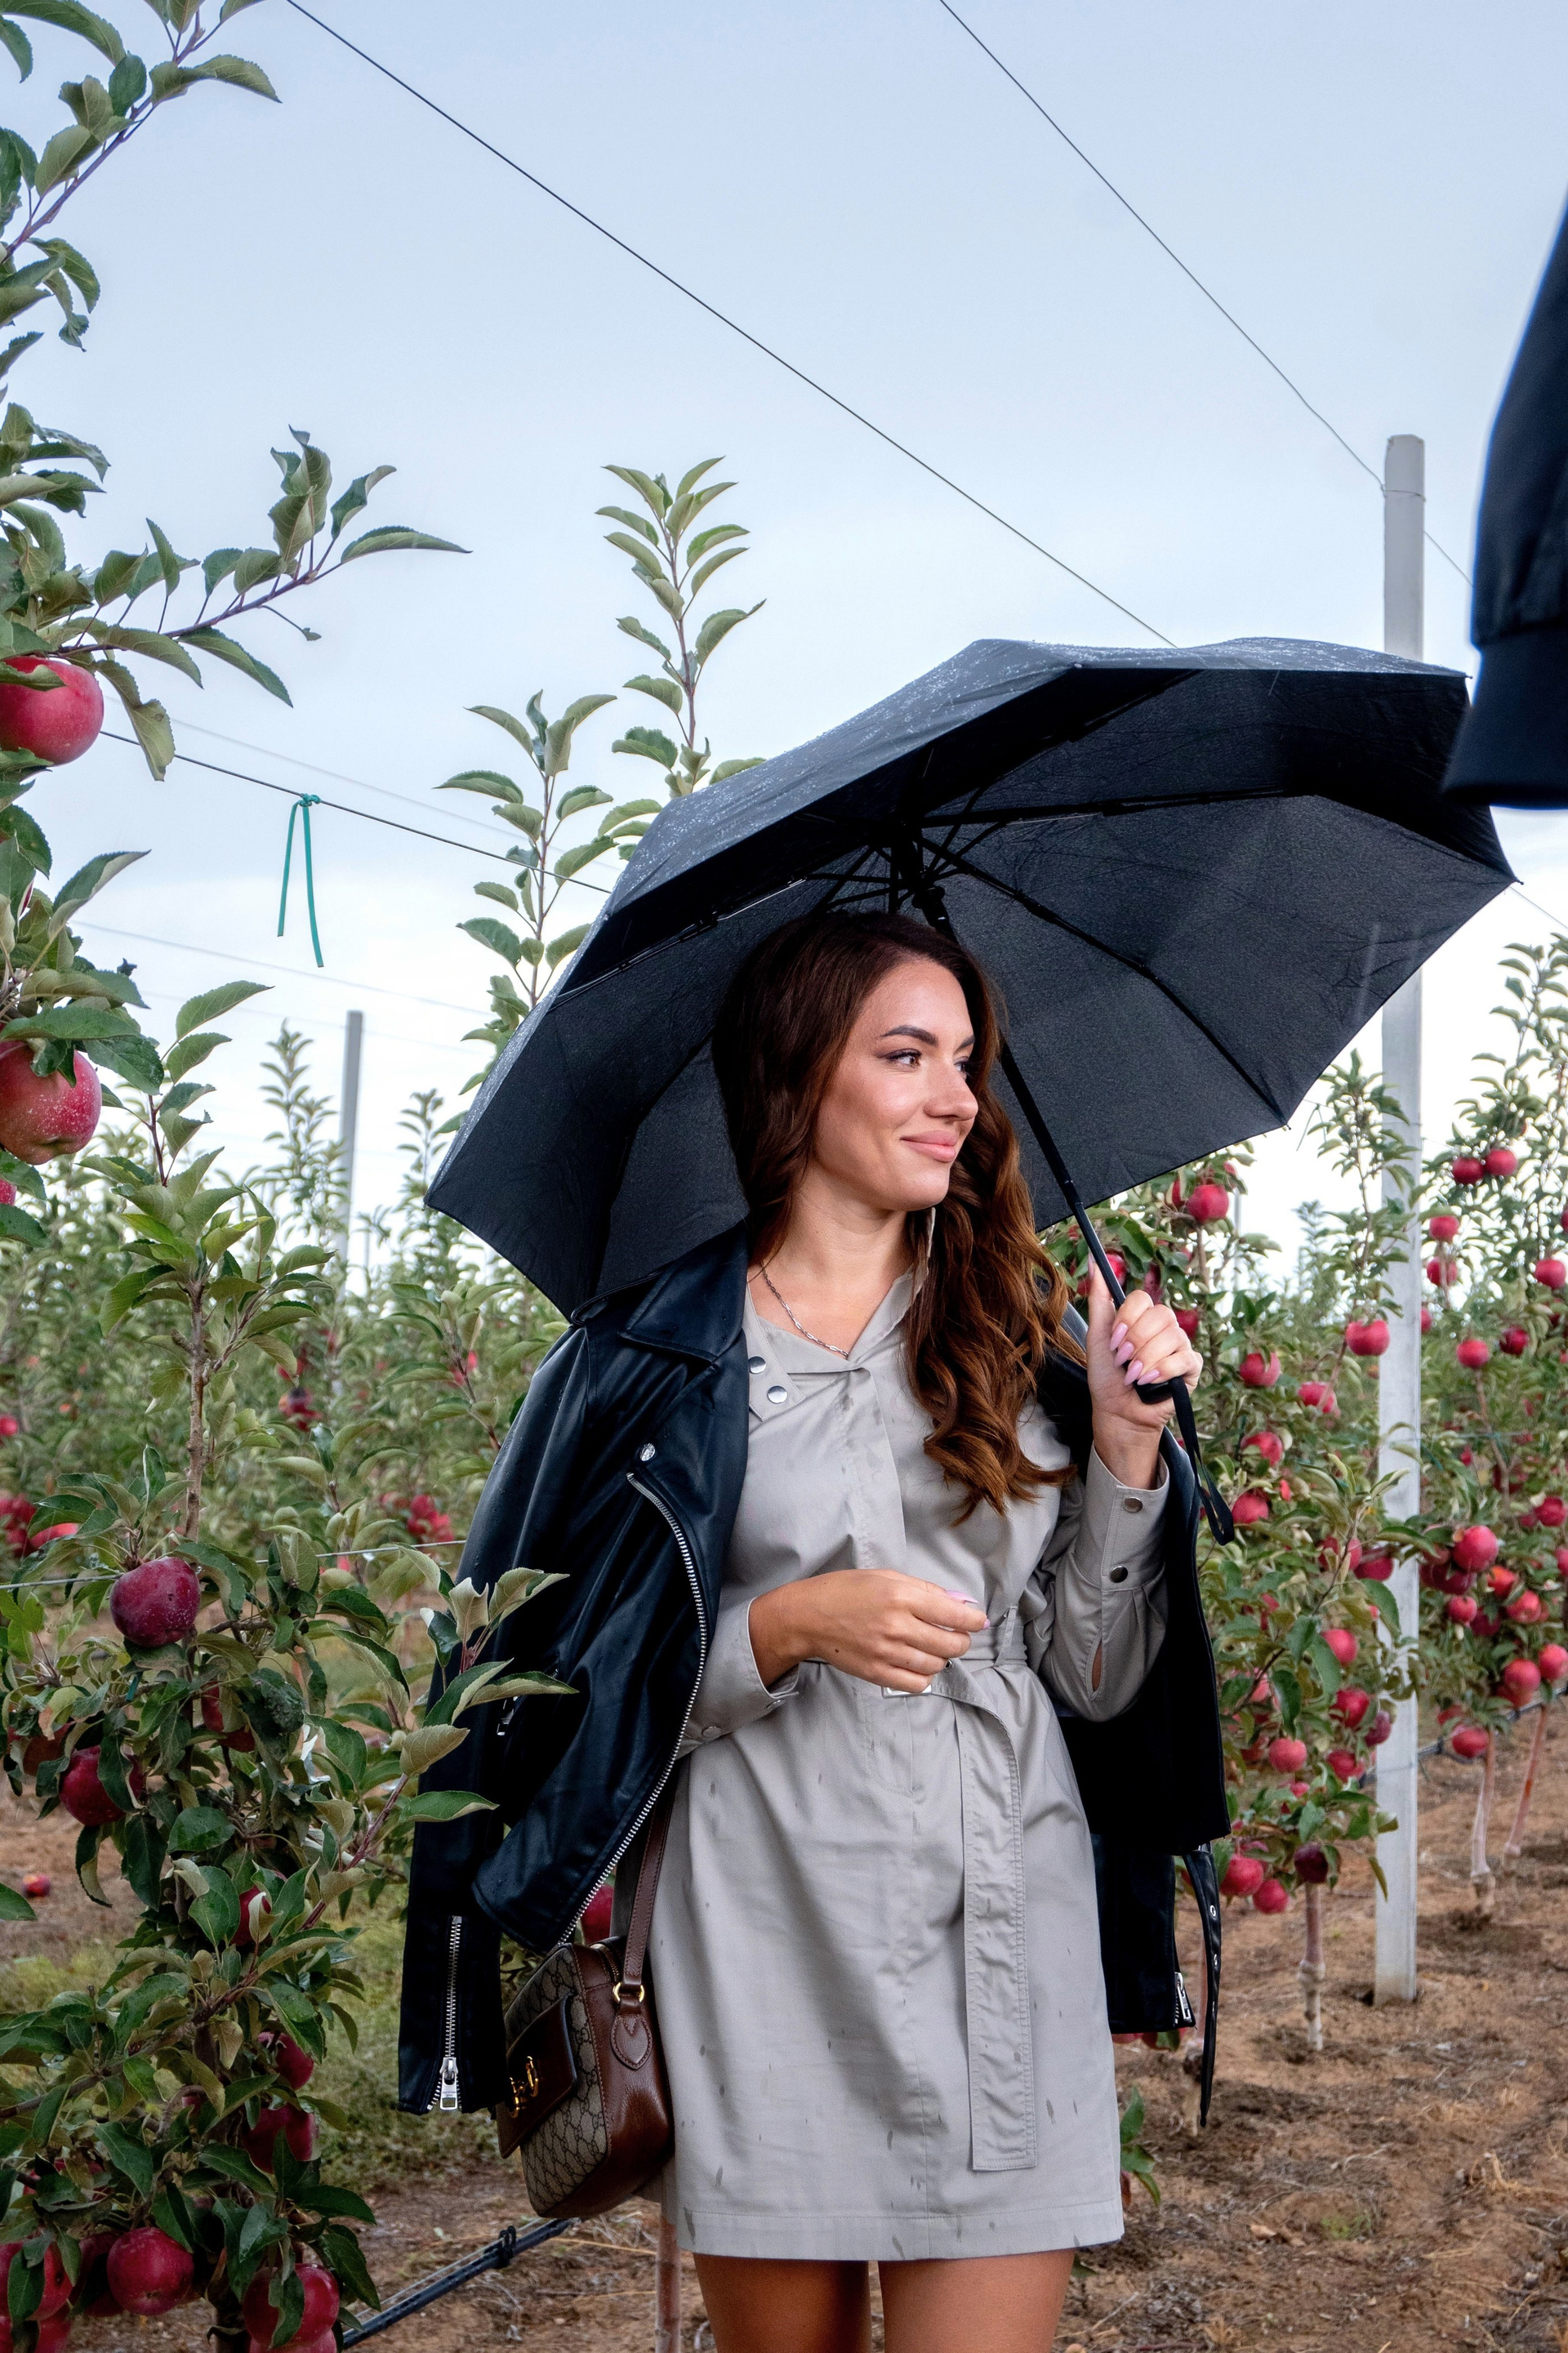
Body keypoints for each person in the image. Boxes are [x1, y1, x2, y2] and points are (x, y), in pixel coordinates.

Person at [399, 910, 1223, 2353]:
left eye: (965, 1059)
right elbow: (547, 1682)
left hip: (995, 1922)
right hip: (760, 1927)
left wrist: (1125, 1447)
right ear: (793, 1078)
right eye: (906, 1056)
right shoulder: (651, 1356)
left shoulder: (1018, 1338)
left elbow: (1094, 1677)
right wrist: (773, 1629)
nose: (955, 1097)